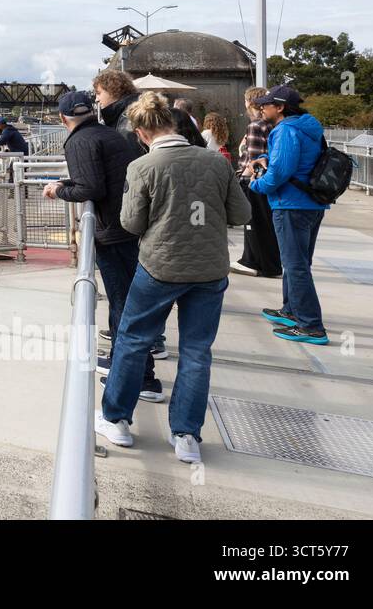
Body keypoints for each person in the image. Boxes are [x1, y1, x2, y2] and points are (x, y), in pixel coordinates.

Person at [96, 91, 250, 465]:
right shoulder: (215, 163)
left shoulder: (143, 168)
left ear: (140, 133)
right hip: (210, 269)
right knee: (197, 352)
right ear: (174, 123)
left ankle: (117, 420)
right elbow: (241, 213)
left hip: (160, 267)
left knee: (133, 341)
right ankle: (186, 436)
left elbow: (131, 223)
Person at [42, 91, 161, 401]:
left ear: (63, 119)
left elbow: (91, 187)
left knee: (124, 304)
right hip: (130, 228)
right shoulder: (108, 134)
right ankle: (125, 363)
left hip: (114, 232)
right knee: (126, 301)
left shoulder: (79, 141)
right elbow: (101, 179)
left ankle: (141, 377)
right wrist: (66, 184)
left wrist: (59, 192)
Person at [248, 85, 332, 345]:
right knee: (298, 263)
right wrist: (265, 157)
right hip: (312, 203)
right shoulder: (309, 127)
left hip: (290, 205)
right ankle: (291, 310)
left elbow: (281, 172)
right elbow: (299, 162)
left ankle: (311, 326)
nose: (262, 108)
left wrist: (256, 185)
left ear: (281, 107)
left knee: (295, 266)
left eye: (266, 104)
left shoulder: (285, 130)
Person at [233, 87, 281, 279]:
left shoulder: (255, 125)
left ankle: (252, 261)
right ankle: (263, 262)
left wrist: (243, 180)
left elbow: (253, 159)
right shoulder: (273, 124)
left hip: (252, 180)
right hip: (268, 180)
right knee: (266, 225)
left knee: (252, 223)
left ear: (249, 102)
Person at [92, 69, 145, 157]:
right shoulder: (128, 111)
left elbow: (130, 158)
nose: (96, 99)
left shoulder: (128, 118)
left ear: (112, 90)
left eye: (98, 93)